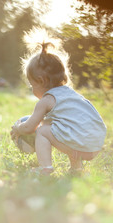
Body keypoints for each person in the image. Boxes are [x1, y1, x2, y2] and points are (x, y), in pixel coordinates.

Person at [10, 30, 107, 176]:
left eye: (32, 85)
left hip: (82, 144)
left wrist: (18, 128)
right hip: (95, 145)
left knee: (43, 132)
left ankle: (45, 169)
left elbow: (30, 127)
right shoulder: (71, 95)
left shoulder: (46, 101)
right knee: (62, 128)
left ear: (41, 81)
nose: (32, 90)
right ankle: (77, 168)